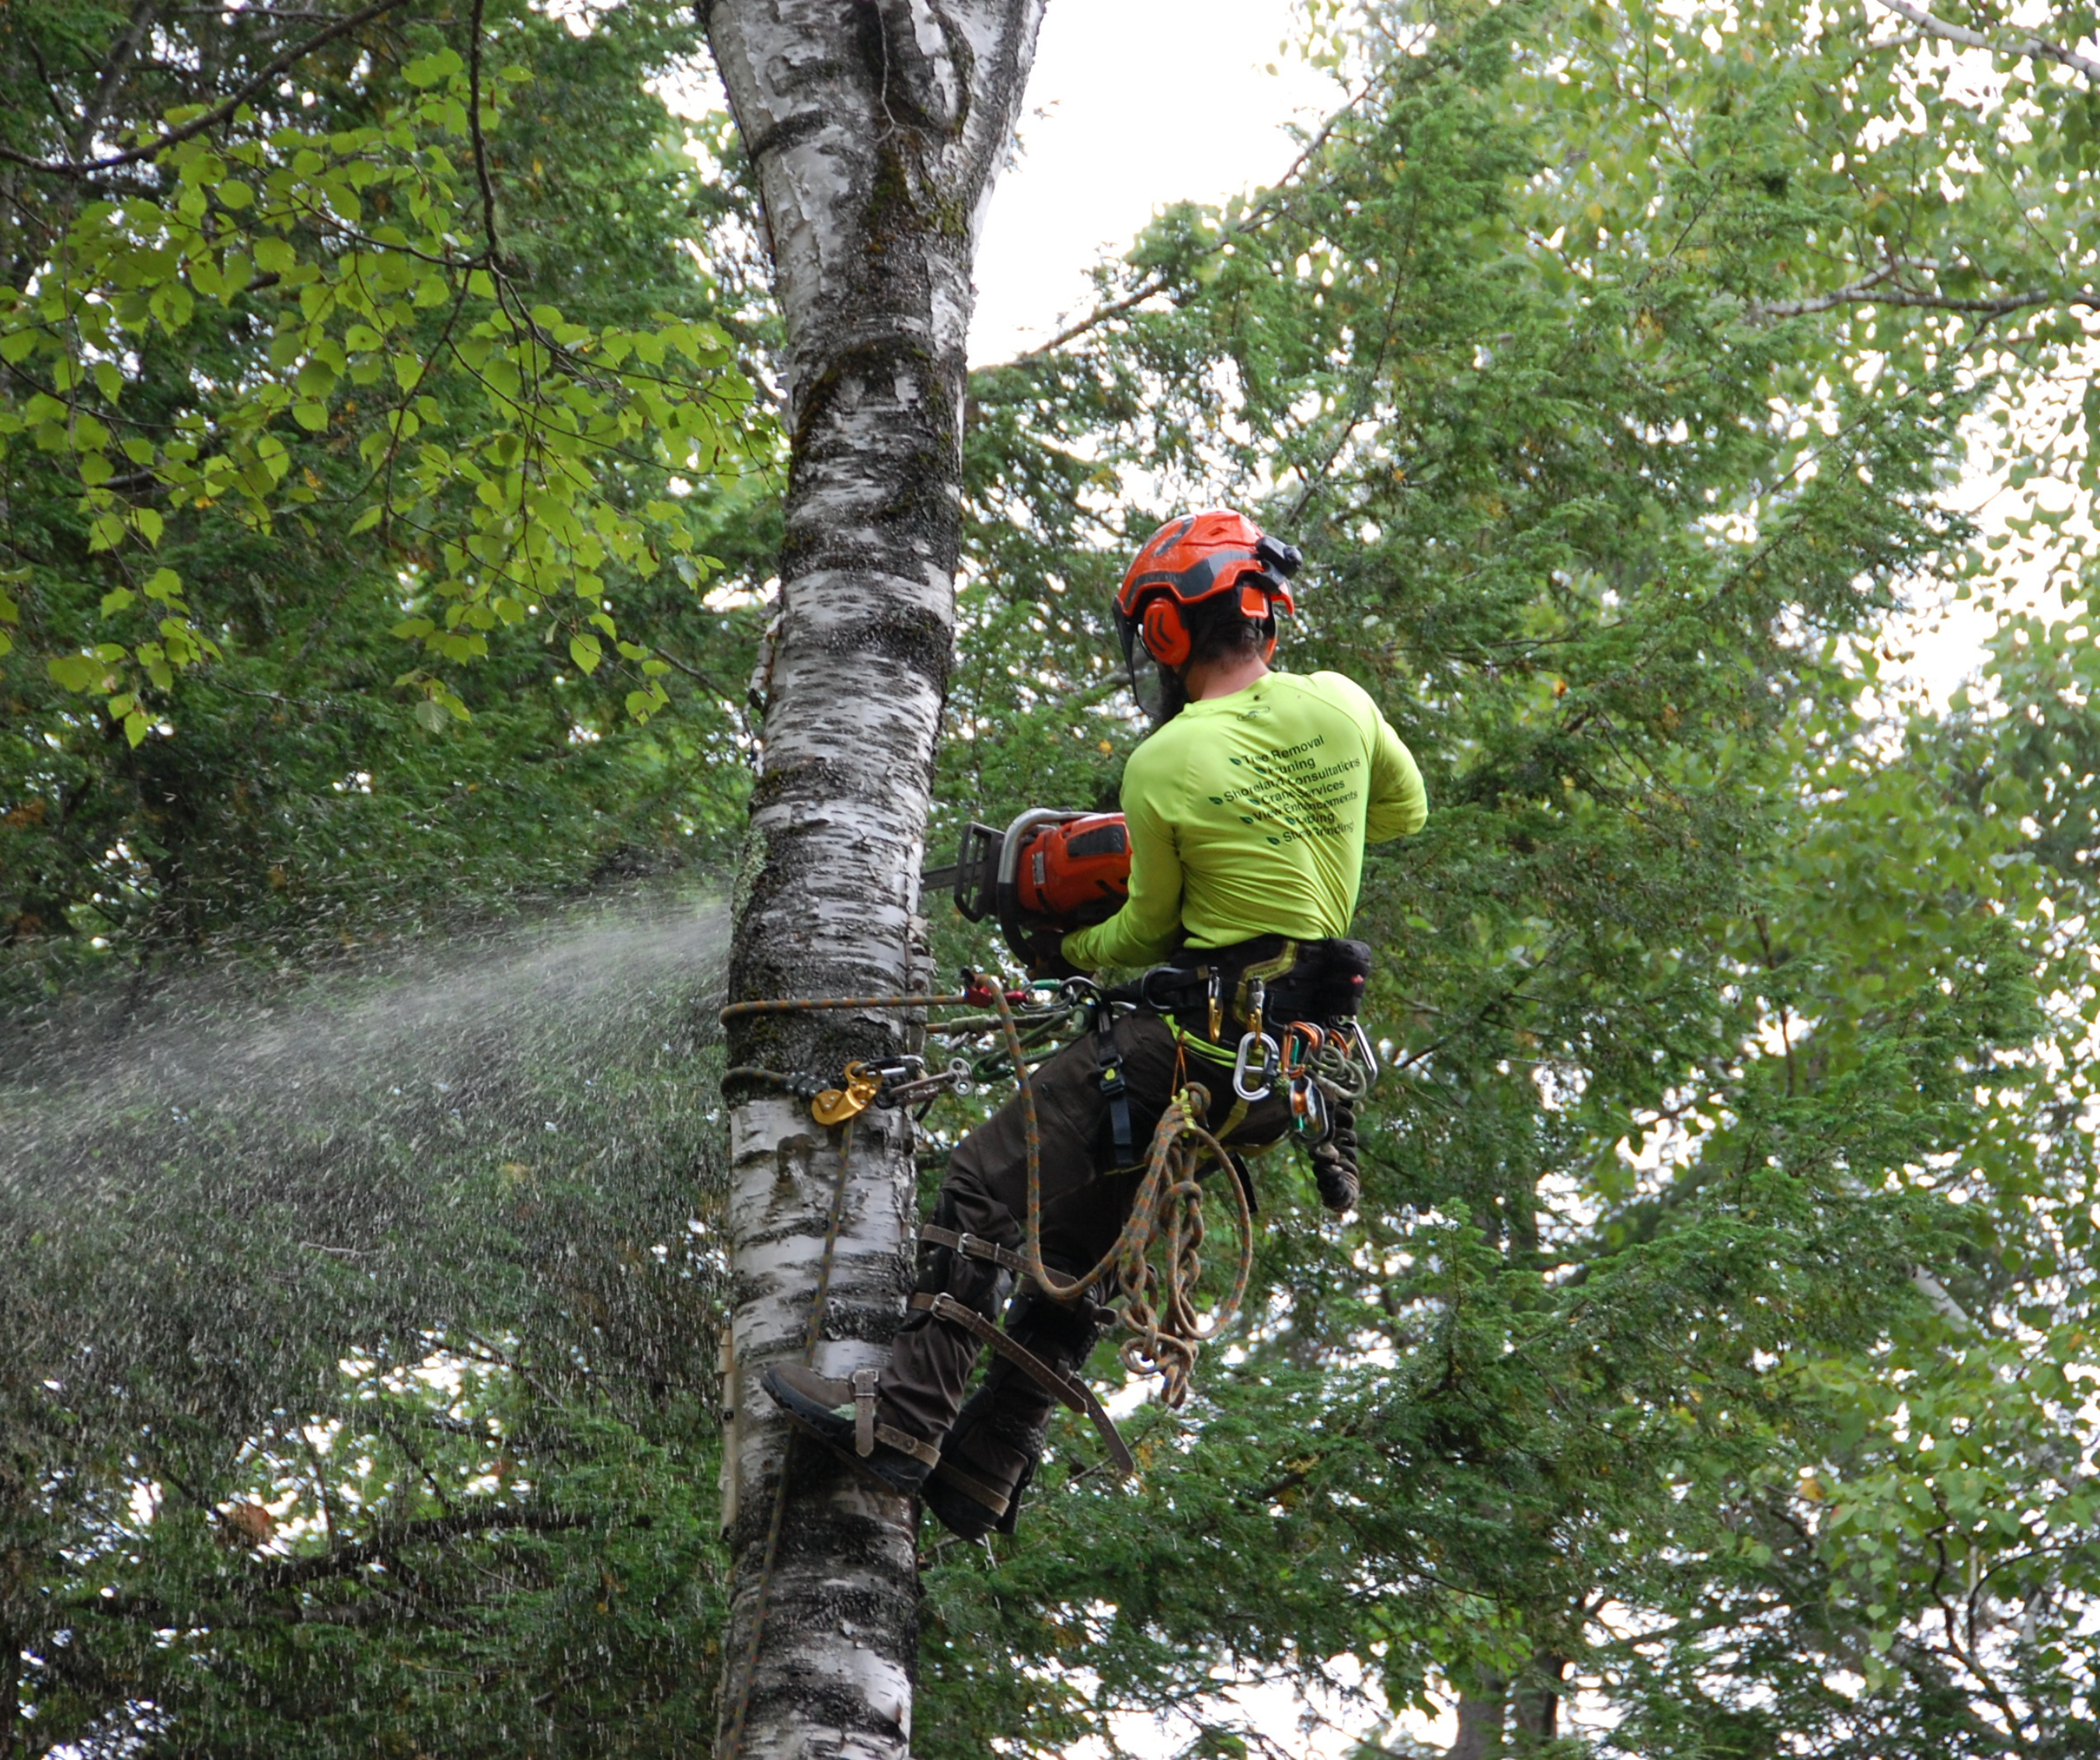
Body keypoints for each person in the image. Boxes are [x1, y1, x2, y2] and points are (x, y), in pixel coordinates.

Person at [765, 509, 1427, 1538]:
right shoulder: (1341, 705)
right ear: (1263, 614)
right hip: (1268, 1079)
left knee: (988, 1181)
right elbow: (1402, 811)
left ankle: (898, 1422)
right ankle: (982, 1465)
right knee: (1084, 1242)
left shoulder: (1165, 762)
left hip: (1182, 1047)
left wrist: (1065, 943)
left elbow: (1146, 930)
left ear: (1164, 636)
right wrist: (1296, 819)